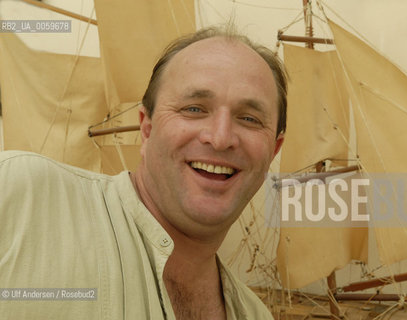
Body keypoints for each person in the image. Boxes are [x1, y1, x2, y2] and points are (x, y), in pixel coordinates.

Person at [0, 26, 287, 319]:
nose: (220, 137)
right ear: (146, 129)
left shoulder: (256, 315)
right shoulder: (20, 197)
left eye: (249, 118)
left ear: (273, 151)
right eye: (193, 109)